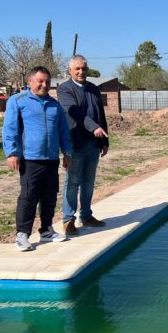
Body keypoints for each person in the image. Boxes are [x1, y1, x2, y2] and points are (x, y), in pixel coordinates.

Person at [3, 66, 73, 251]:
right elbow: (10, 129)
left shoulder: (55, 105)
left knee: (49, 195)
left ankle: (46, 230)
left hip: (51, 158)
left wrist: (67, 152)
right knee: (28, 197)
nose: (44, 85)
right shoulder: (18, 101)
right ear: (30, 81)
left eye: (47, 82)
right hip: (30, 158)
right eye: (40, 81)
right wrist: (11, 153)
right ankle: (22, 235)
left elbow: (63, 131)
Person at [58, 55, 109, 236]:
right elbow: (76, 114)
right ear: (70, 70)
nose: (81, 72)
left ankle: (86, 216)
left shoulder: (94, 89)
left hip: (93, 144)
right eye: (77, 69)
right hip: (75, 144)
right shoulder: (64, 90)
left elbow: (100, 115)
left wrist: (104, 141)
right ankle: (68, 220)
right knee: (72, 183)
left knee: (88, 182)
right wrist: (94, 127)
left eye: (84, 69)